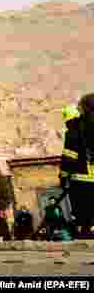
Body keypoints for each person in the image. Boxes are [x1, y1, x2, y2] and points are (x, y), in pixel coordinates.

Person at [60, 93, 94, 239]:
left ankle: (86, 230)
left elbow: (69, 157)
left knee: (83, 208)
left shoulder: (73, 132)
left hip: (80, 177)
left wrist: (63, 176)